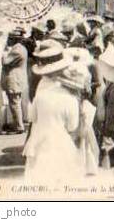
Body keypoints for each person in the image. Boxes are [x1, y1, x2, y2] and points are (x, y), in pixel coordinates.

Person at [23, 41, 84, 183]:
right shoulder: (70, 98)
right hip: (61, 140)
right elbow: (72, 127)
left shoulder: (41, 90)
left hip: (39, 138)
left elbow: (33, 118)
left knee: (39, 175)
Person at [2, 30, 30, 134]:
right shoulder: (22, 48)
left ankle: (18, 126)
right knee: (16, 103)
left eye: (10, 38)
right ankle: (18, 124)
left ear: (14, 39)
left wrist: (4, 52)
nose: (8, 40)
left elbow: (5, 62)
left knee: (14, 104)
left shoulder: (16, 50)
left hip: (14, 79)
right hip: (18, 79)